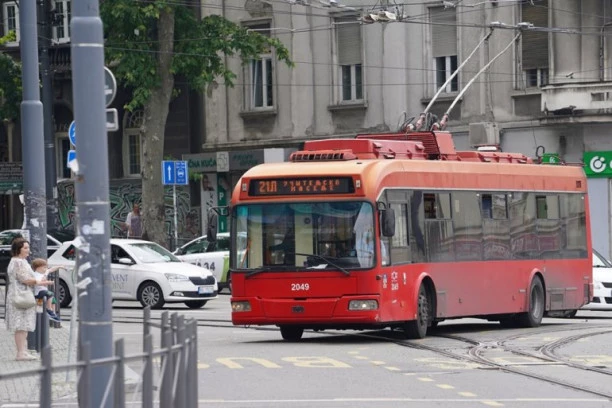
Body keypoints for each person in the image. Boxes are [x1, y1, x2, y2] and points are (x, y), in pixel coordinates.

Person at [4, 238, 54, 361]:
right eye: (25, 248)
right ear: (18, 249)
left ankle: (24, 351)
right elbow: (24, 279)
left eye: (28, 247)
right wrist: (40, 281)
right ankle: (21, 353)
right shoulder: (18, 262)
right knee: (21, 325)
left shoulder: (20, 261)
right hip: (21, 295)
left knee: (24, 325)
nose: (28, 250)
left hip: (22, 294)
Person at [31, 258, 61, 322]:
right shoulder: (36, 275)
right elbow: (38, 283)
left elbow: (51, 269)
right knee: (50, 294)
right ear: (38, 268)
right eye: (44, 267)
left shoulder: (44, 273)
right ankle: (49, 309)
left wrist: (60, 266)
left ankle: (53, 313)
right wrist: (48, 282)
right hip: (38, 293)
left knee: (53, 300)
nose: (46, 269)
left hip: (43, 293)